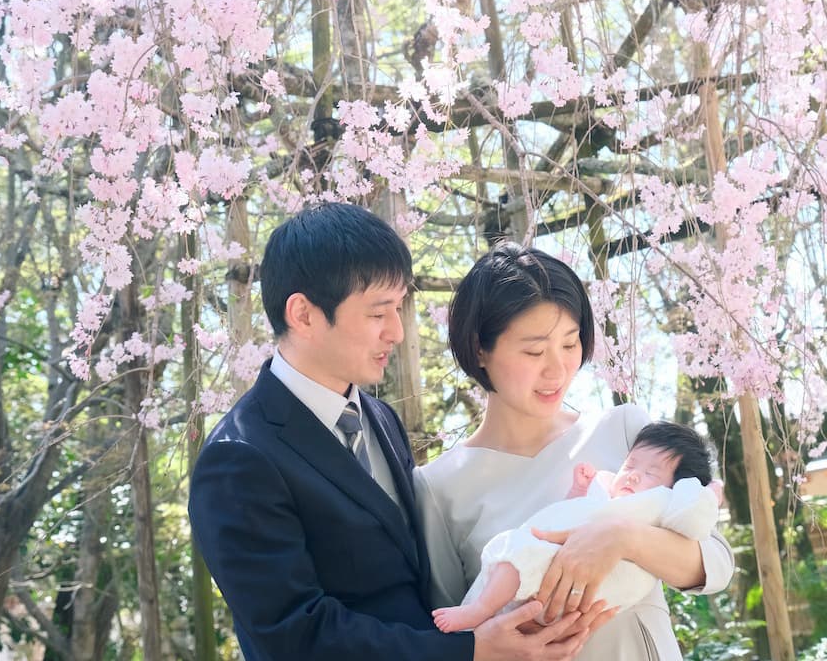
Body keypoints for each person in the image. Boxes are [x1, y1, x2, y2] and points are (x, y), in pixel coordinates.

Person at [188, 204, 593, 661]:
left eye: (398, 308)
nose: (397, 332)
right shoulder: (240, 456)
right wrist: (468, 651)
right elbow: (293, 634)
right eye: (378, 313)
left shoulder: (380, 418)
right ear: (303, 314)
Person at [415, 242, 735, 660]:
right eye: (534, 351)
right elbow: (449, 634)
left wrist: (619, 536)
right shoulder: (439, 487)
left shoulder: (625, 432)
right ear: (480, 348)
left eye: (570, 345)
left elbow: (715, 563)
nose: (558, 369)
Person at [432, 421, 722, 634]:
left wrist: (709, 494)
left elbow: (701, 533)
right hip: (548, 581)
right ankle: (481, 610)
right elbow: (568, 516)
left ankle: (480, 609)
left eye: (651, 473)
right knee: (515, 554)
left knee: (518, 553)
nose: (633, 476)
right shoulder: (606, 493)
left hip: (581, 591)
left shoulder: (659, 506)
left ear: (676, 488)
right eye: (630, 465)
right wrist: (579, 490)